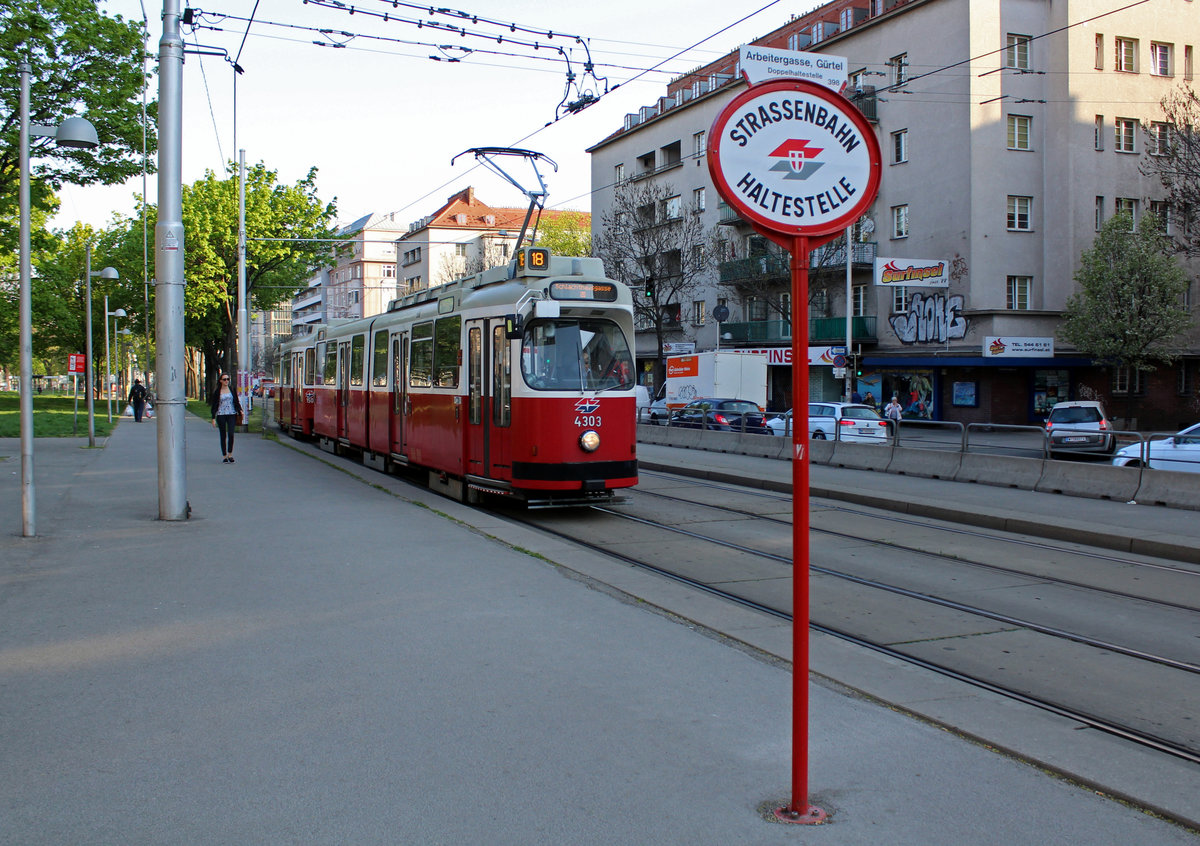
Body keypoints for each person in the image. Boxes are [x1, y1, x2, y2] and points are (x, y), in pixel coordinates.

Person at [209, 373, 243, 464]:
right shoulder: (217, 391)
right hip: (221, 415)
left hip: (231, 414)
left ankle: (230, 454)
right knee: (223, 435)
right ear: (220, 381)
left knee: (231, 433)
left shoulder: (231, 389)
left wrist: (240, 410)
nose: (226, 381)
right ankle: (224, 455)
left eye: (227, 379)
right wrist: (213, 417)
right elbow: (214, 405)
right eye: (224, 379)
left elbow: (236, 401)